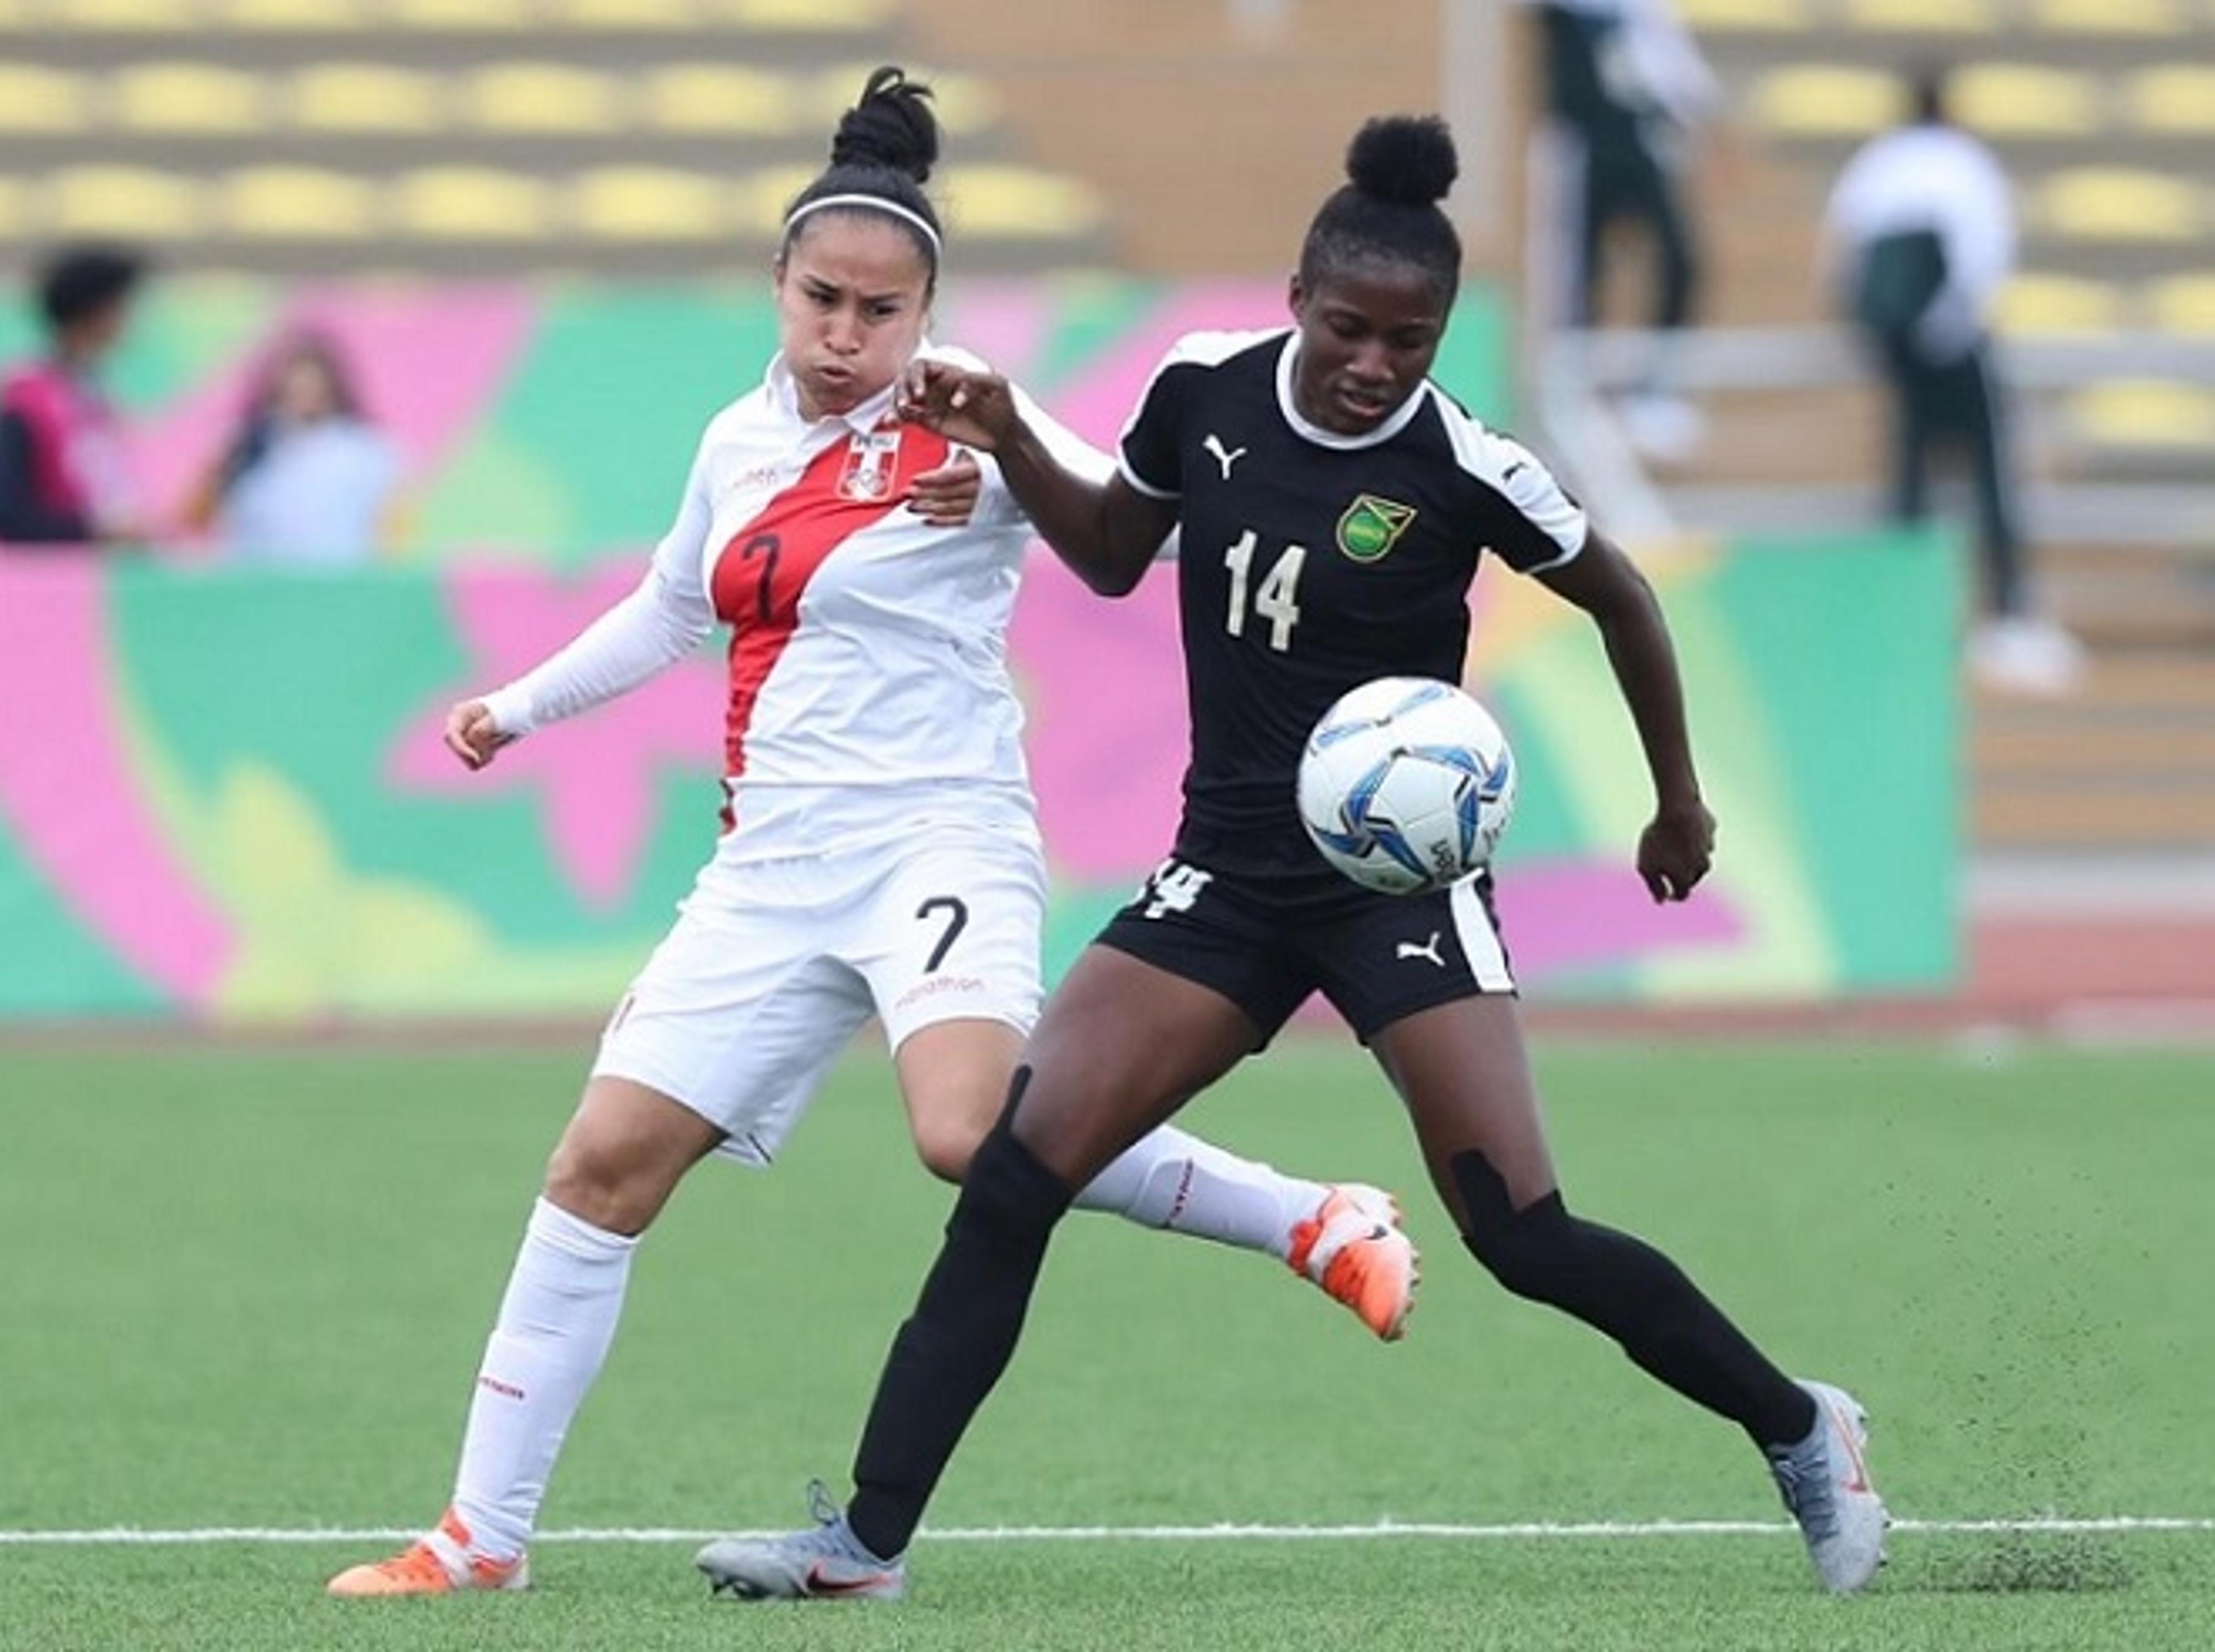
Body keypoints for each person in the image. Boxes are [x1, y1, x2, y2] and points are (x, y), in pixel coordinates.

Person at [696, 112, 1887, 1605]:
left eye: (1411, 338)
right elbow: (1119, 550)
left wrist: (1678, 804)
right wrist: (1005, 439)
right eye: (1349, 328)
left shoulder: (1464, 463)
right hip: (1227, 876)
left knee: (1519, 1233)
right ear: (1297, 300)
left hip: (1399, 889)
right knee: (1010, 1178)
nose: (1375, 363)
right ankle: (860, 1545)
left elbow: (1628, 598)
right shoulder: (1201, 388)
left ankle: (1801, 1430)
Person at [324, 68, 1418, 1601]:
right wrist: (517, 706)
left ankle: (1305, 1216)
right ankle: (477, 1541)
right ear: (778, 285)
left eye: (879, 311)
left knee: (967, 1134)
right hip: (770, 863)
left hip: (939, 838)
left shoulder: (973, 414)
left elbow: (1132, 519)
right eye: (822, 299)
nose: (846, 335)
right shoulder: (734, 442)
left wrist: (1012, 467)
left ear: (926, 312)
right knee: (598, 1169)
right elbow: (667, 605)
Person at [1823, 66, 2082, 696]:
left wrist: (1876, 332)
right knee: (1988, 470)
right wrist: (1952, 322)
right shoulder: (1966, 163)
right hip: (1952, 335)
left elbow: (1841, 250)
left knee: (1911, 471)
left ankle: (1903, 615)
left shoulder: (1876, 161)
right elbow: (1984, 250)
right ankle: (2008, 612)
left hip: (1895, 337)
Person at [1533, 0, 1719, 460]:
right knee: (1579, 269)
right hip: (1583, 146)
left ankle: (1656, 386)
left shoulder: (1644, 13)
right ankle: (1573, 387)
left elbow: (1682, 75)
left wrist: (1688, 116)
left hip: (1637, 140)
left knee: (1682, 261)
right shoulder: (1566, 17)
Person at [0, 245, 146, 548]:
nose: (130, 320)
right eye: (121, 306)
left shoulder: (93, 391)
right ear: (95, 311)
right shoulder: (25, 395)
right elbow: (4, 516)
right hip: (55, 585)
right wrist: (97, 532)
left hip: (102, 578)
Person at [188, 329, 400, 566]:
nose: (302, 395)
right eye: (294, 385)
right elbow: (196, 518)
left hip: (335, 584)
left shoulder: (365, 450)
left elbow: (390, 534)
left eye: (312, 386)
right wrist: (225, 466)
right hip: (255, 584)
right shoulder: (244, 440)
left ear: (332, 388)